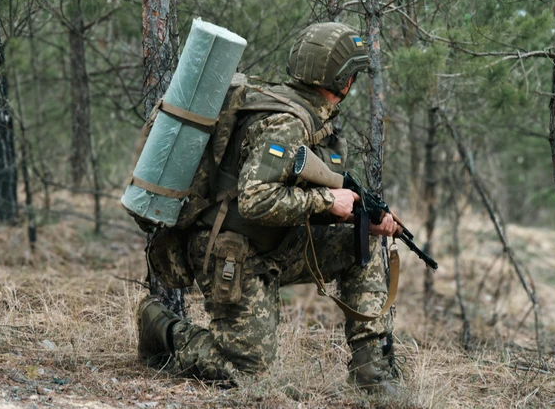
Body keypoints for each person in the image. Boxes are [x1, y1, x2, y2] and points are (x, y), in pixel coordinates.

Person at [136, 22, 401, 393]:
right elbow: (256, 200)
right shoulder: (286, 123)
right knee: (248, 373)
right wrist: (328, 200)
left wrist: (354, 218)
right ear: (345, 81)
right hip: (230, 251)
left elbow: (288, 195)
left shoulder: (305, 115)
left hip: (274, 243)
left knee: (365, 246)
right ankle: (161, 328)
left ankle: (373, 373)